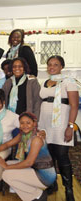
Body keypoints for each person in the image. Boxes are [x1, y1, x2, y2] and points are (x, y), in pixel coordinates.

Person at [38, 56, 79, 201]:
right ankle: (52, 183)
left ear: (62, 66)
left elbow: (74, 106)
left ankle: (68, 190)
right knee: (49, 156)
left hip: (61, 124)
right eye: (49, 64)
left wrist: (70, 126)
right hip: (45, 124)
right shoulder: (45, 82)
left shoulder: (69, 81)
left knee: (62, 156)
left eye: (55, 64)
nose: (51, 67)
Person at [0, 112, 56, 201]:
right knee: (8, 164)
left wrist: (7, 167)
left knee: (6, 175)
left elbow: (29, 162)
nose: (25, 125)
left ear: (34, 123)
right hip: (35, 169)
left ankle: (38, 195)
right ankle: (26, 191)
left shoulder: (36, 139)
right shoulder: (23, 135)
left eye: (28, 123)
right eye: (22, 123)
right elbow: (7, 144)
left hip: (45, 175)